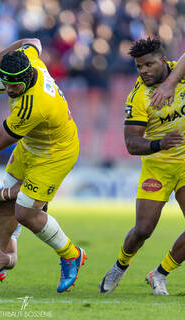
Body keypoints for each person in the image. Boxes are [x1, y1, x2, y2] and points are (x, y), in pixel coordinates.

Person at [0, 38, 86, 293]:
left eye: (12, 86)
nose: (8, 90)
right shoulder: (29, 59)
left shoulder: (34, 105)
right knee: (7, 205)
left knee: (25, 214)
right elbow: (33, 41)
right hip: (32, 145)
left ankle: (72, 254)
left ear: (26, 79)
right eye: (4, 83)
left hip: (54, 154)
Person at [99, 37, 185, 296]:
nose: (143, 71)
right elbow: (132, 143)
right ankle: (120, 265)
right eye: (139, 67)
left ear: (163, 61)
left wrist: (170, 84)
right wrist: (161, 143)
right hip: (158, 167)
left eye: (148, 64)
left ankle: (160, 274)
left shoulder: (178, 72)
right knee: (143, 229)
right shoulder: (139, 96)